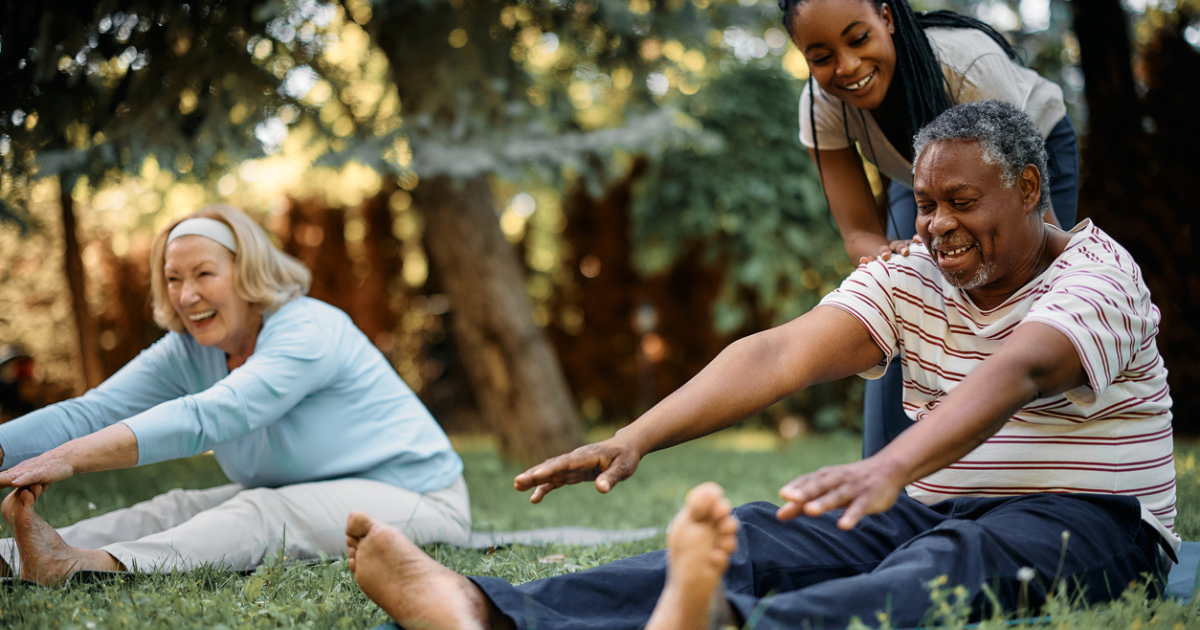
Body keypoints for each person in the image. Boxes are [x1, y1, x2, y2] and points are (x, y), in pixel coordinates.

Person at [339, 102, 1175, 630]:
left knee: (944, 568)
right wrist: (636, 437)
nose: (938, 226)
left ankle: (721, 626)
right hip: (932, 502)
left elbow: (1020, 374)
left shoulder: (1100, 277)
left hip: (1092, 517)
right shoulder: (914, 274)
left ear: (1031, 190)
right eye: (924, 203)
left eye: (964, 203)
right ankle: (482, 611)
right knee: (756, 535)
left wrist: (887, 466)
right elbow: (778, 352)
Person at [0, 204, 470, 584]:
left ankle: (80, 564)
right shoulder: (187, 351)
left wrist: (69, 458)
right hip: (306, 489)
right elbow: (91, 412)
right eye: (173, 278)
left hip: (419, 496)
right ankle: (10, 557)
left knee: (263, 514)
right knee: (178, 507)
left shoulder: (308, 330)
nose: (186, 297)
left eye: (204, 274)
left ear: (247, 273)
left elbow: (211, 415)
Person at [783, 0, 1081, 456]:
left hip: (1025, 160)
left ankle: (1010, 470)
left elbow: (1038, 240)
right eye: (821, 57)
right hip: (917, 179)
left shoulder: (968, 66)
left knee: (1007, 294)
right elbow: (859, 233)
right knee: (897, 301)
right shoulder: (822, 107)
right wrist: (895, 266)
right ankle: (884, 494)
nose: (847, 66)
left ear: (885, 18)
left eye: (858, 38)